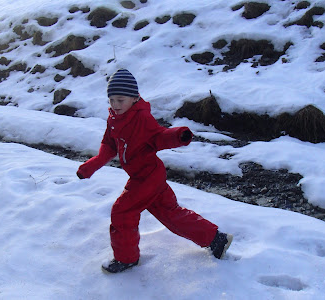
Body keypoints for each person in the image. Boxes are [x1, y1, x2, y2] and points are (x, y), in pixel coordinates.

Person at [77, 69, 233, 273]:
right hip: (145, 176)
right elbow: (109, 145)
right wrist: (91, 166)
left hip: (147, 177)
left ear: (134, 98)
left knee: (122, 211)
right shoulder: (114, 119)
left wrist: (179, 136)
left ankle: (127, 259)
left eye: (120, 100)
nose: (115, 105)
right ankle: (216, 239)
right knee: (170, 213)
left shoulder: (141, 118)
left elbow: (159, 136)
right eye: (112, 100)